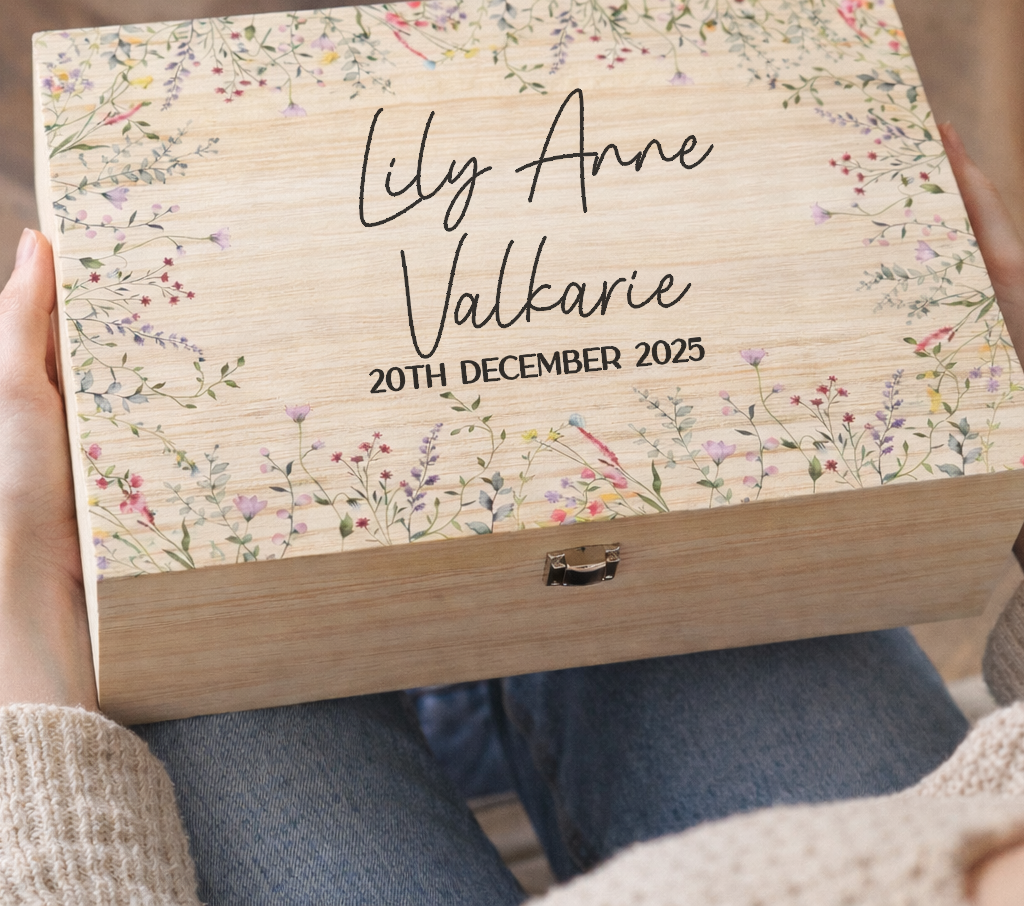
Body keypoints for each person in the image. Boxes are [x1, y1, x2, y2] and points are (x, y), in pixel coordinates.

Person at [2, 122, 1024, 905]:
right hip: (956, 826)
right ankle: (470, 690)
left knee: (205, 688)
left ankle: (444, 689)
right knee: (660, 518)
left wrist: (33, 678)